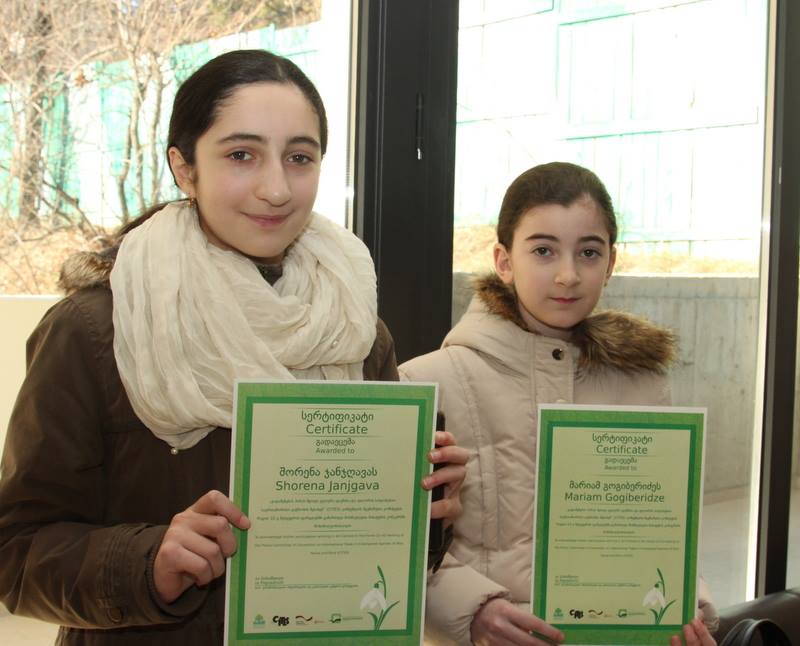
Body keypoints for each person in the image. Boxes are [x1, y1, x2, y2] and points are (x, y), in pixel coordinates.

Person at [0, 49, 466, 645]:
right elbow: (17, 553)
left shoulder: (353, 328)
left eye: (299, 157)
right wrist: (149, 562)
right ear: (185, 168)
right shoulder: (95, 331)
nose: (276, 188)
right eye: (242, 155)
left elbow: (367, 561)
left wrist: (424, 512)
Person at [399, 162, 719, 646]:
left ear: (610, 263)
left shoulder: (644, 384)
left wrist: (687, 608)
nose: (568, 275)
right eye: (543, 250)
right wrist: (472, 609)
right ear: (503, 261)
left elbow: (663, 532)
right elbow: (390, 541)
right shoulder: (427, 382)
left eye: (588, 252)